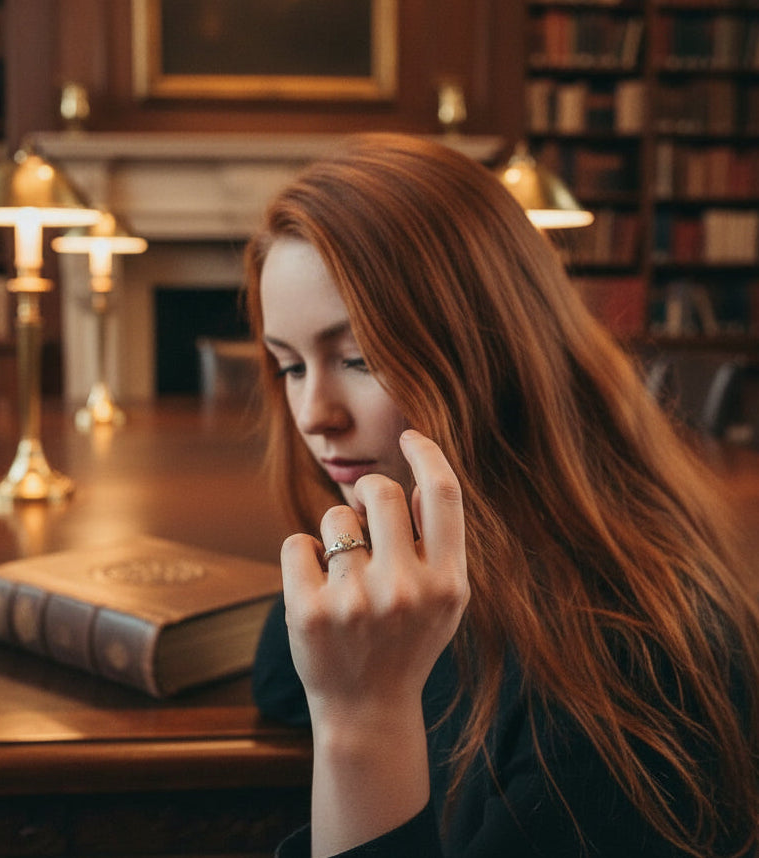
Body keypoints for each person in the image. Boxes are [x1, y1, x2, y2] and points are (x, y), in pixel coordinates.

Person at [243, 133, 759, 858]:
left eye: (358, 359)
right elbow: (280, 675)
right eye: (289, 366)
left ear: (491, 353)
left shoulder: (626, 672)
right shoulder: (449, 567)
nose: (312, 414)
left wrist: (366, 717)